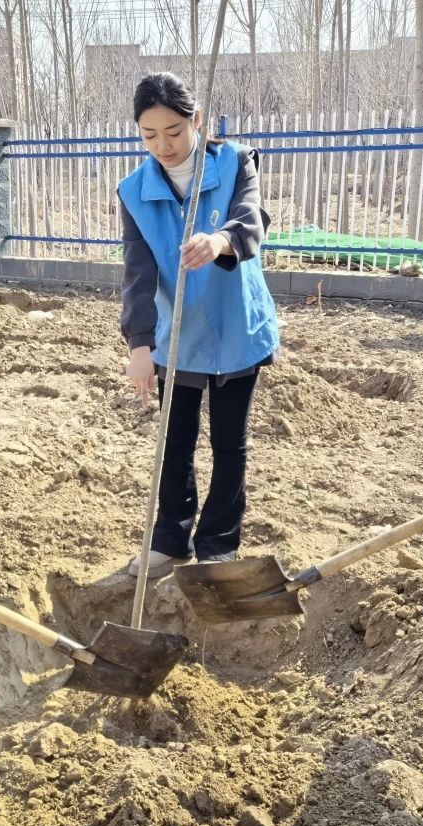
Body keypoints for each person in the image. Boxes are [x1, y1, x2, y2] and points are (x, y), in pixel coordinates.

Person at [118, 72, 279, 577]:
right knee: (175, 441)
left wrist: (220, 241)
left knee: (229, 443)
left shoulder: (235, 163)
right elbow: (138, 273)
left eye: (174, 131)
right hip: (177, 334)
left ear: (197, 121)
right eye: (149, 135)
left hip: (236, 327)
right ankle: (170, 540)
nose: (162, 145)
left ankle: (218, 546)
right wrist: (139, 345)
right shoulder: (134, 192)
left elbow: (251, 220)